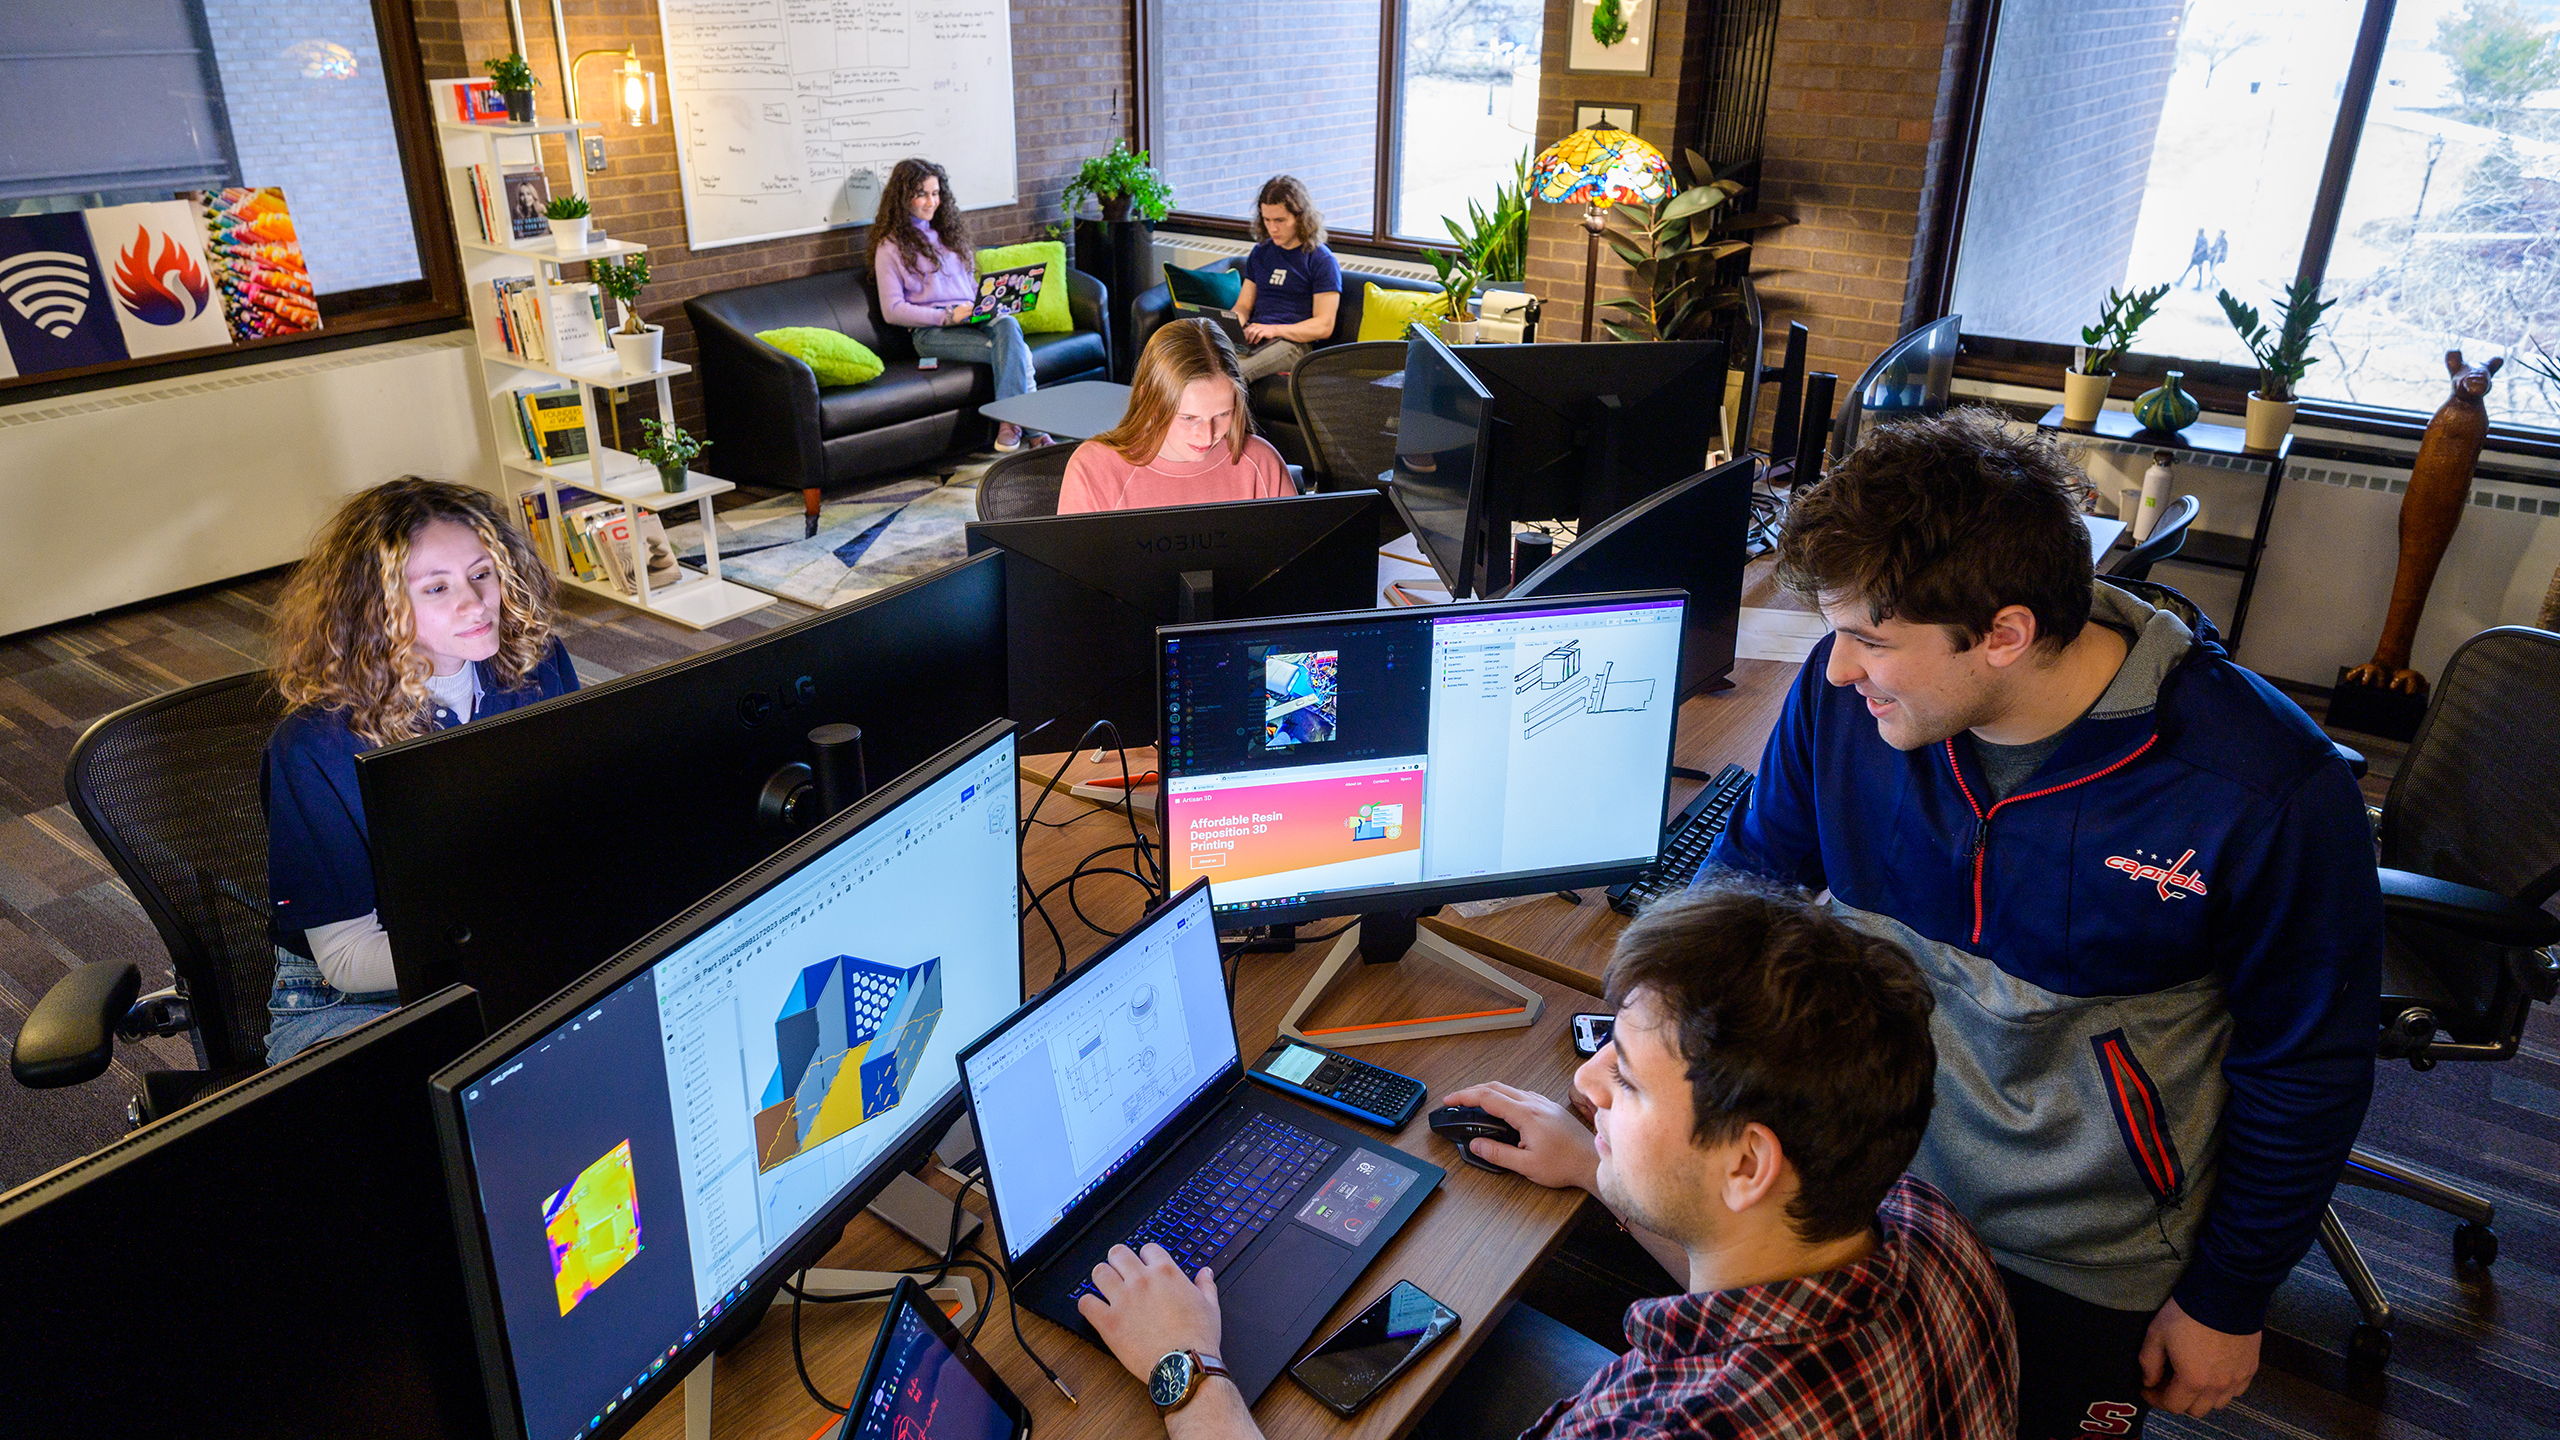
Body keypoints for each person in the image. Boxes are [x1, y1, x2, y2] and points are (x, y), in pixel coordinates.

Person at [1702, 409, 2380, 1434]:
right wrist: (1640, 1052)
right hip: (1856, 1187)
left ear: (2005, 634)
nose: (1838, 672)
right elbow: (1748, 878)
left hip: (2075, 1259)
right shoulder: (1848, 701)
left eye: (1869, 641)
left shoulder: (2263, 790)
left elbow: (2306, 1066)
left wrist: (2228, 1297)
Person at [1077, 882, 2017, 1439]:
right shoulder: (1933, 1235)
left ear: (1747, 1165)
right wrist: (1592, 1167)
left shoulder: (1666, 1423)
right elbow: (1752, 1262)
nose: (1589, 1083)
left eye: (1634, 1083)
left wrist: (1187, 1369)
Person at [262, 478, 579, 1064]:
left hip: (510, 928)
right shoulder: (314, 744)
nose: (476, 602)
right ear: (376, 608)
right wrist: (517, 941)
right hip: (353, 994)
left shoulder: (538, 664)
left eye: (482, 573)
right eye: (437, 587)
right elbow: (347, 958)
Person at [868, 157, 1044, 451]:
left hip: (972, 316)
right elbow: (892, 311)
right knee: (1018, 352)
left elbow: (968, 286)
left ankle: (1015, 424)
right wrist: (948, 316)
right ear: (902, 197)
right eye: (922, 193)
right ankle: (1030, 430)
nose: (931, 202)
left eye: (936, 193)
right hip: (931, 333)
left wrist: (990, 301)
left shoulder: (949, 235)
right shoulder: (890, 247)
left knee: (1009, 323)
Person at [1056, 318, 1292, 514]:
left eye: (1222, 414)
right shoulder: (1093, 469)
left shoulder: (1261, 463)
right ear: (1150, 401)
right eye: (1188, 418)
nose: (1206, 437)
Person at [1229, 175, 1341, 385]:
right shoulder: (1261, 252)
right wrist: (1230, 324)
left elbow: (1324, 325)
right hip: (1256, 338)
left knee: (1234, 374)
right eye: (1267, 220)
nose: (1272, 228)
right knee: (1198, 366)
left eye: (1280, 220)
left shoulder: (1321, 259)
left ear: (1300, 216)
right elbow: (1244, 304)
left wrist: (1274, 330)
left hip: (1293, 343)